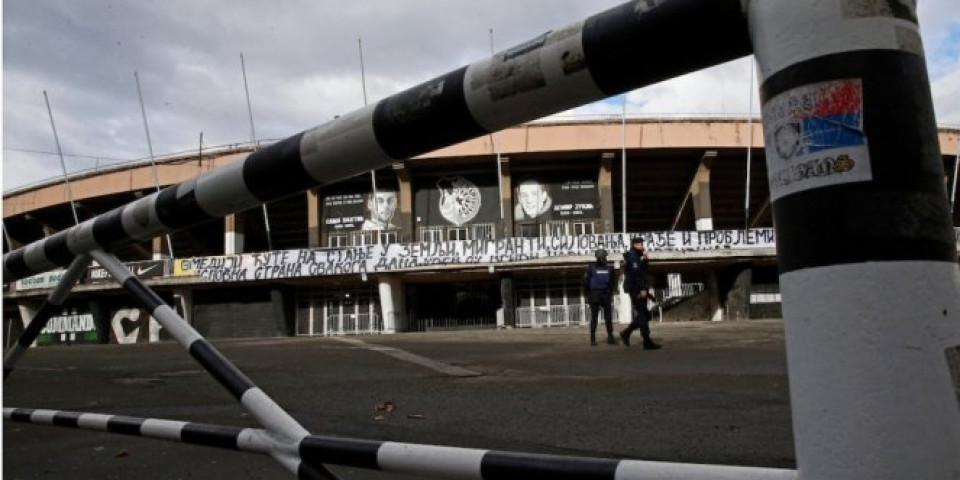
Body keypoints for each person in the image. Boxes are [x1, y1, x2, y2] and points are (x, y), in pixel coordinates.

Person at [620, 237, 661, 350]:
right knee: (644, 315)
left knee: (644, 315)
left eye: (642, 244)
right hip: (636, 289)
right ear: (635, 245)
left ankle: (631, 335)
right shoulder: (633, 257)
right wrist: (642, 289)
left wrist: (645, 260)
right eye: (640, 244)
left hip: (638, 289)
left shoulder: (637, 257)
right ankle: (635, 336)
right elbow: (636, 274)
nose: (642, 246)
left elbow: (642, 271)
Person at [583, 248, 617, 346]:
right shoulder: (591, 268)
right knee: (594, 317)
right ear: (600, 257)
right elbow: (585, 282)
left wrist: (610, 292)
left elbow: (612, 282)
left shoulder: (608, 268)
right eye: (604, 257)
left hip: (605, 294)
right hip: (595, 294)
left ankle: (610, 337)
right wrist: (588, 295)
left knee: (608, 317)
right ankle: (593, 339)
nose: (606, 258)